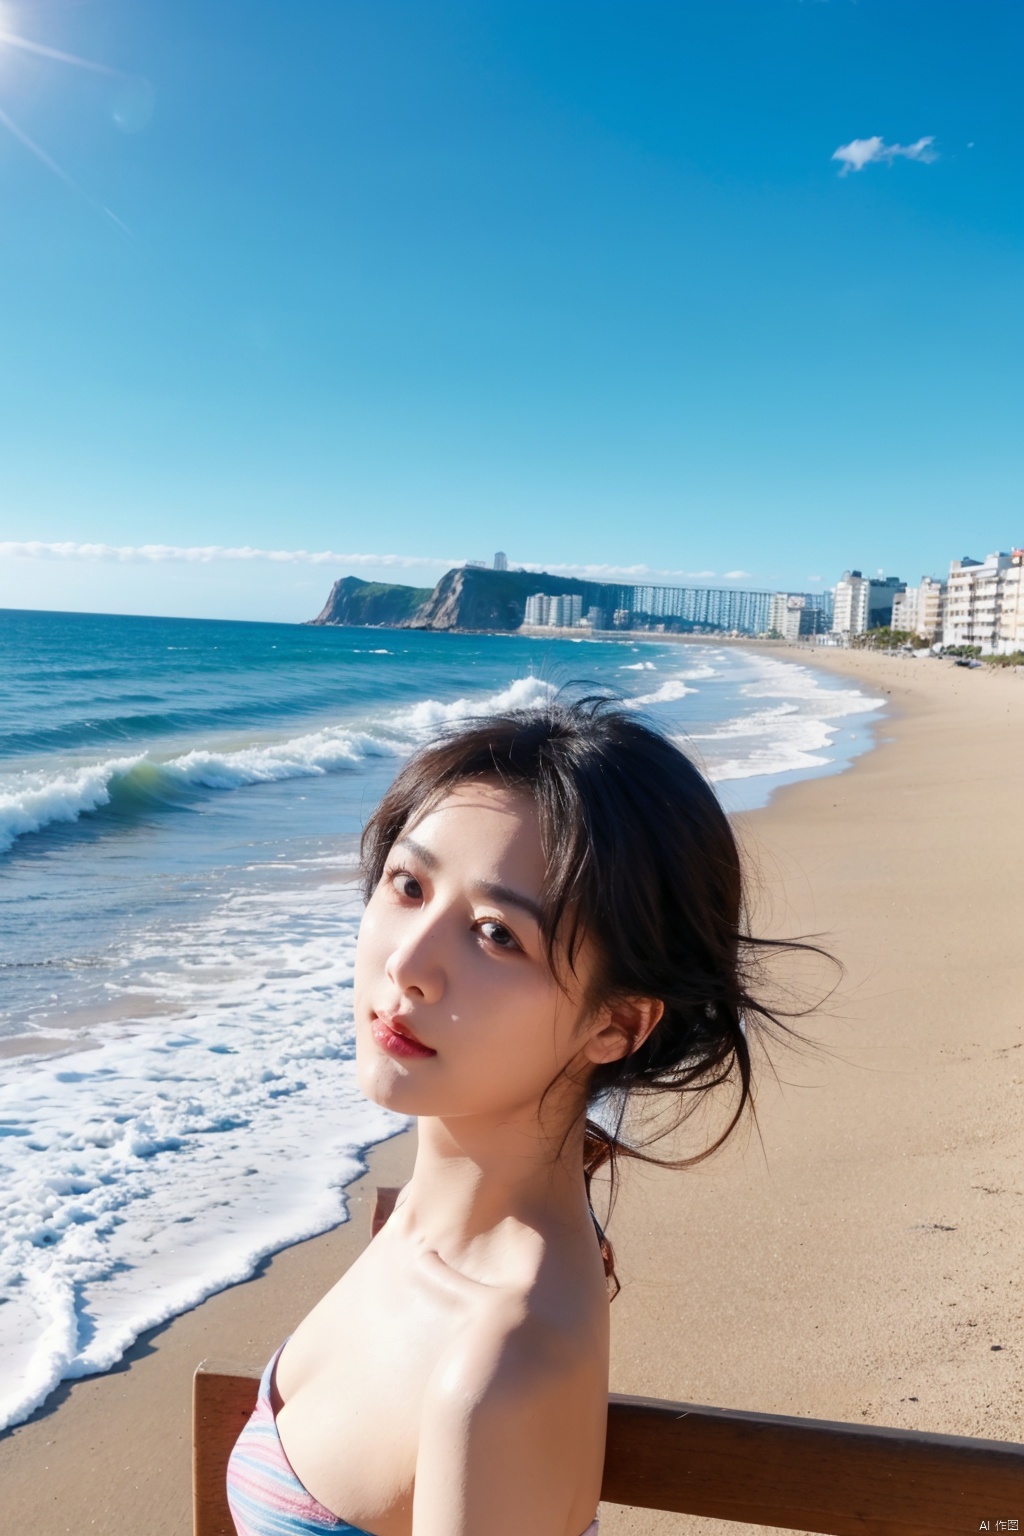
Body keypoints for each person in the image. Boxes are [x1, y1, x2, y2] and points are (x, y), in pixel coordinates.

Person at [226, 695, 812, 1536]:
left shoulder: (499, 1364)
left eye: (496, 934)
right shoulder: (423, 1236)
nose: (408, 962)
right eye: (408, 885)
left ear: (617, 1024)